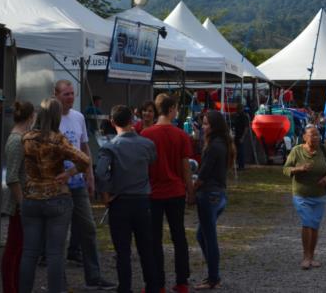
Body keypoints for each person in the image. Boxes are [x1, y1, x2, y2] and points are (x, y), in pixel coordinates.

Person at [19, 98, 90, 293]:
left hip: (31, 197)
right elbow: (85, 160)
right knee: (55, 254)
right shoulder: (58, 139)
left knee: (29, 253)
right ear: (57, 116)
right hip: (56, 196)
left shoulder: (26, 137)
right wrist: (68, 174)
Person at [54, 79, 115, 290]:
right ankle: (59, 281)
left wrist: (90, 175)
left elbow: (84, 148)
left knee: (88, 228)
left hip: (78, 182)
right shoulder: (50, 118)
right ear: (56, 95)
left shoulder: (78, 117)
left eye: (72, 94)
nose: (70, 97)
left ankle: (94, 276)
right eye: (66, 94)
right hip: (57, 184)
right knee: (59, 234)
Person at [95, 105, 158, 293]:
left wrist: (106, 194)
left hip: (120, 202)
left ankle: (125, 287)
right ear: (132, 121)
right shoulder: (147, 144)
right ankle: (152, 286)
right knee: (146, 248)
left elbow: (99, 172)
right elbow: (152, 162)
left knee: (122, 251)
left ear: (112, 122)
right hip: (142, 202)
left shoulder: (109, 147)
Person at [141, 93, 194, 293]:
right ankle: (182, 282)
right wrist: (190, 191)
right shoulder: (181, 135)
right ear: (171, 109)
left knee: (153, 240)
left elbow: (143, 167)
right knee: (179, 237)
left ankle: (157, 283)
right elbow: (185, 167)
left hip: (152, 194)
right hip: (176, 192)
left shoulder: (146, 135)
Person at [283, 126, 326, 270]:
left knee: (314, 226)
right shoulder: (297, 151)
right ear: (304, 137)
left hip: (320, 195)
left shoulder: (324, 149)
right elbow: (286, 169)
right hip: (301, 194)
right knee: (307, 223)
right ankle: (306, 257)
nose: (316, 138)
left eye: (317, 135)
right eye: (312, 135)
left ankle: (312, 257)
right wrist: (299, 169)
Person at [194, 111, 234, 289]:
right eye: (203, 124)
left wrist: (190, 190)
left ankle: (213, 277)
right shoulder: (222, 143)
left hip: (210, 194)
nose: (203, 127)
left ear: (215, 126)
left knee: (209, 238)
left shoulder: (214, 146)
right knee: (201, 235)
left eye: (206, 124)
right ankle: (213, 272)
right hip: (218, 194)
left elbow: (203, 174)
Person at [2, 101, 35, 293]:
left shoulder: (21, 137)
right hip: (18, 202)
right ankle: (10, 288)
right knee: (14, 248)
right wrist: (22, 204)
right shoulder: (16, 140)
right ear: (31, 116)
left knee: (20, 247)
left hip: (22, 200)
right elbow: (13, 176)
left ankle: (16, 286)